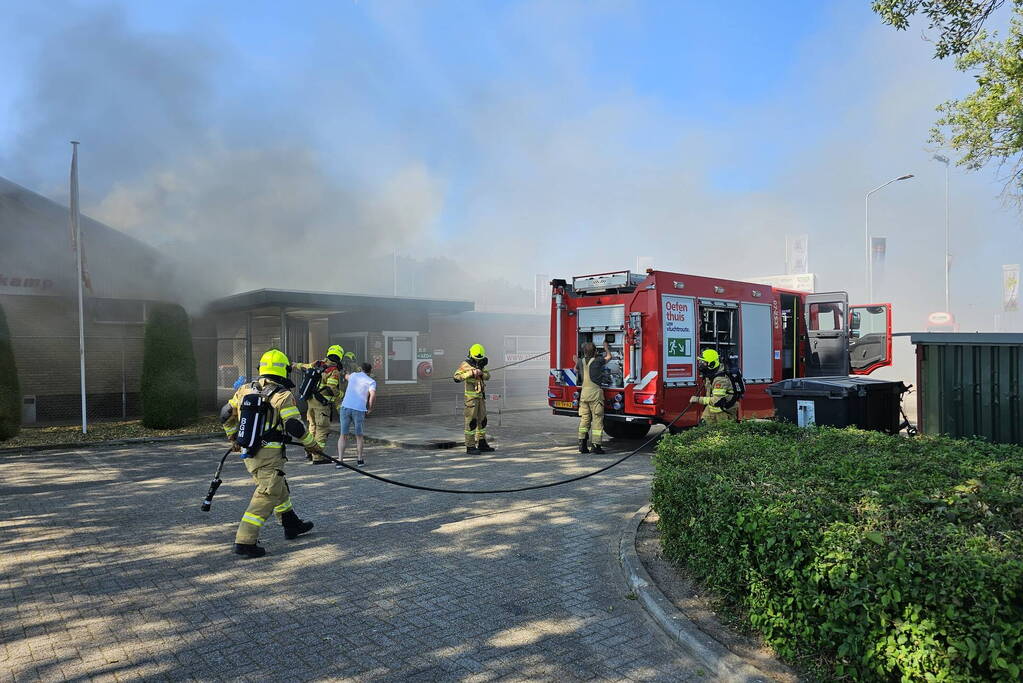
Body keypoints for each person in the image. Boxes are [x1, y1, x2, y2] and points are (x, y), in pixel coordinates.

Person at [220, 348, 322, 558]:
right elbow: (294, 426)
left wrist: (233, 437)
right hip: (269, 454)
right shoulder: (282, 395)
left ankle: (290, 523)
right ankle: (245, 541)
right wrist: (312, 445)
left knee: (278, 486)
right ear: (283, 370)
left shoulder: (245, 389)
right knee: (267, 493)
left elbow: (225, 413)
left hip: (250, 451)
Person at [292, 345, 344, 464]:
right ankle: (318, 457)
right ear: (339, 356)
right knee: (322, 428)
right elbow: (332, 389)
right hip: (321, 404)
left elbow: (305, 366)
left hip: (310, 401)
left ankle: (309, 451)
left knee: (312, 426)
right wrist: (342, 394)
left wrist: (295, 365)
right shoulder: (333, 371)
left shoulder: (318, 363)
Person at [453, 343, 493, 455]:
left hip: (481, 398)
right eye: (476, 359)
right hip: (471, 400)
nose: (478, 361)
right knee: (471, 422)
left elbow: (488, 376)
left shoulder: (481, 365)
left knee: (483, 421)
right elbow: (456, 377)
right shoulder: (465, 364)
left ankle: (482, 443)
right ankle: (470, 446)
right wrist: (471, 373)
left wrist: (481, 373)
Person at [337, 362, 376, 467]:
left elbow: (346, 376)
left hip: (345, 407)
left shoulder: (353, 375)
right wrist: (370, 408)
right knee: (359, 436)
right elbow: (372, 395)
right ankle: (359, 460)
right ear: (370, 371)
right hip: (359, 410)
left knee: (343, 435)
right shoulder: (371, 381)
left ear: (361, 369)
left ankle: (340, 461)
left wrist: (344, 371)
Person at [575, 340, 611, 453]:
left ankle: (582, 445)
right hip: (595, 394)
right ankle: (596, 446)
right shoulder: (598, 360)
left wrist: (576, 360)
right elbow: (609, 357)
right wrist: (606, 348)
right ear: (595, 351)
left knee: (585, 419)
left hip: (584, 394)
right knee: (597, 420)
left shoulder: (581, 362)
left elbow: (575, 368)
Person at [689, 349, 739, 424]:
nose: (701, 364)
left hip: (723, 412)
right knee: (702, 429)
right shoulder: (711, 374)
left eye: (704, 362)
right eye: (700, 362)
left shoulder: (720, 380)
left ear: (711, 364)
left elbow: (717, 401)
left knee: (722, 434)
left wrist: (698, 399)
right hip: (711, 409)